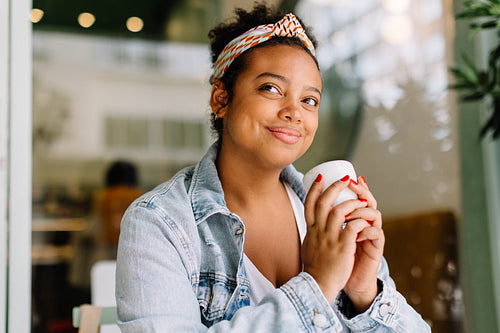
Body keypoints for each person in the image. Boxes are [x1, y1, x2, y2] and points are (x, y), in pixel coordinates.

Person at [116, 4, 431, 332]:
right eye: (271, 89)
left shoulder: (333, 215)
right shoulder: (158, 223)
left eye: (309, 100)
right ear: (221, 99)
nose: (294, 112)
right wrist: (318, 285)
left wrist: (365, 293)